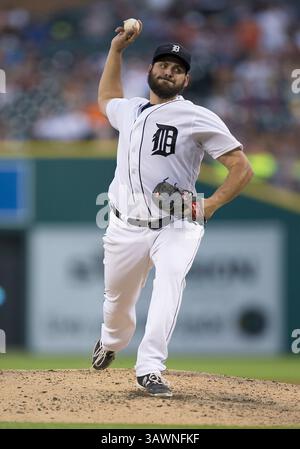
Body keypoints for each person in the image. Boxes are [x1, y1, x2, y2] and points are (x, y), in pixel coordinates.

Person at [92, 20, 253, 397]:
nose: (169, 71)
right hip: (125, 226)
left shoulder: (196, 116)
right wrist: (116, 51)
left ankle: (150, 368)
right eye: (163, 65)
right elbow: (105, 99)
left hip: (176, 223)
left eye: (177, 69)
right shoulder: (130, 110)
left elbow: (241, 167)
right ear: (150, 70)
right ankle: (111, 342)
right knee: (116, 305)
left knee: (169, 282)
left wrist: (211, 204)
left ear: (185, 81)